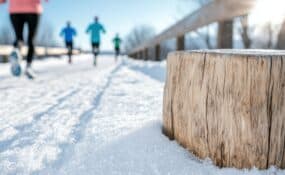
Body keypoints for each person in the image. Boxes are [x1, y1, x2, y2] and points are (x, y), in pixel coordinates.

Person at [0, 0, 48, 79]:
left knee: (19, 38)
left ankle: (16, 51)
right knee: (31, 40)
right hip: (33, 9)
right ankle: (28, 67)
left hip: (15, 9)